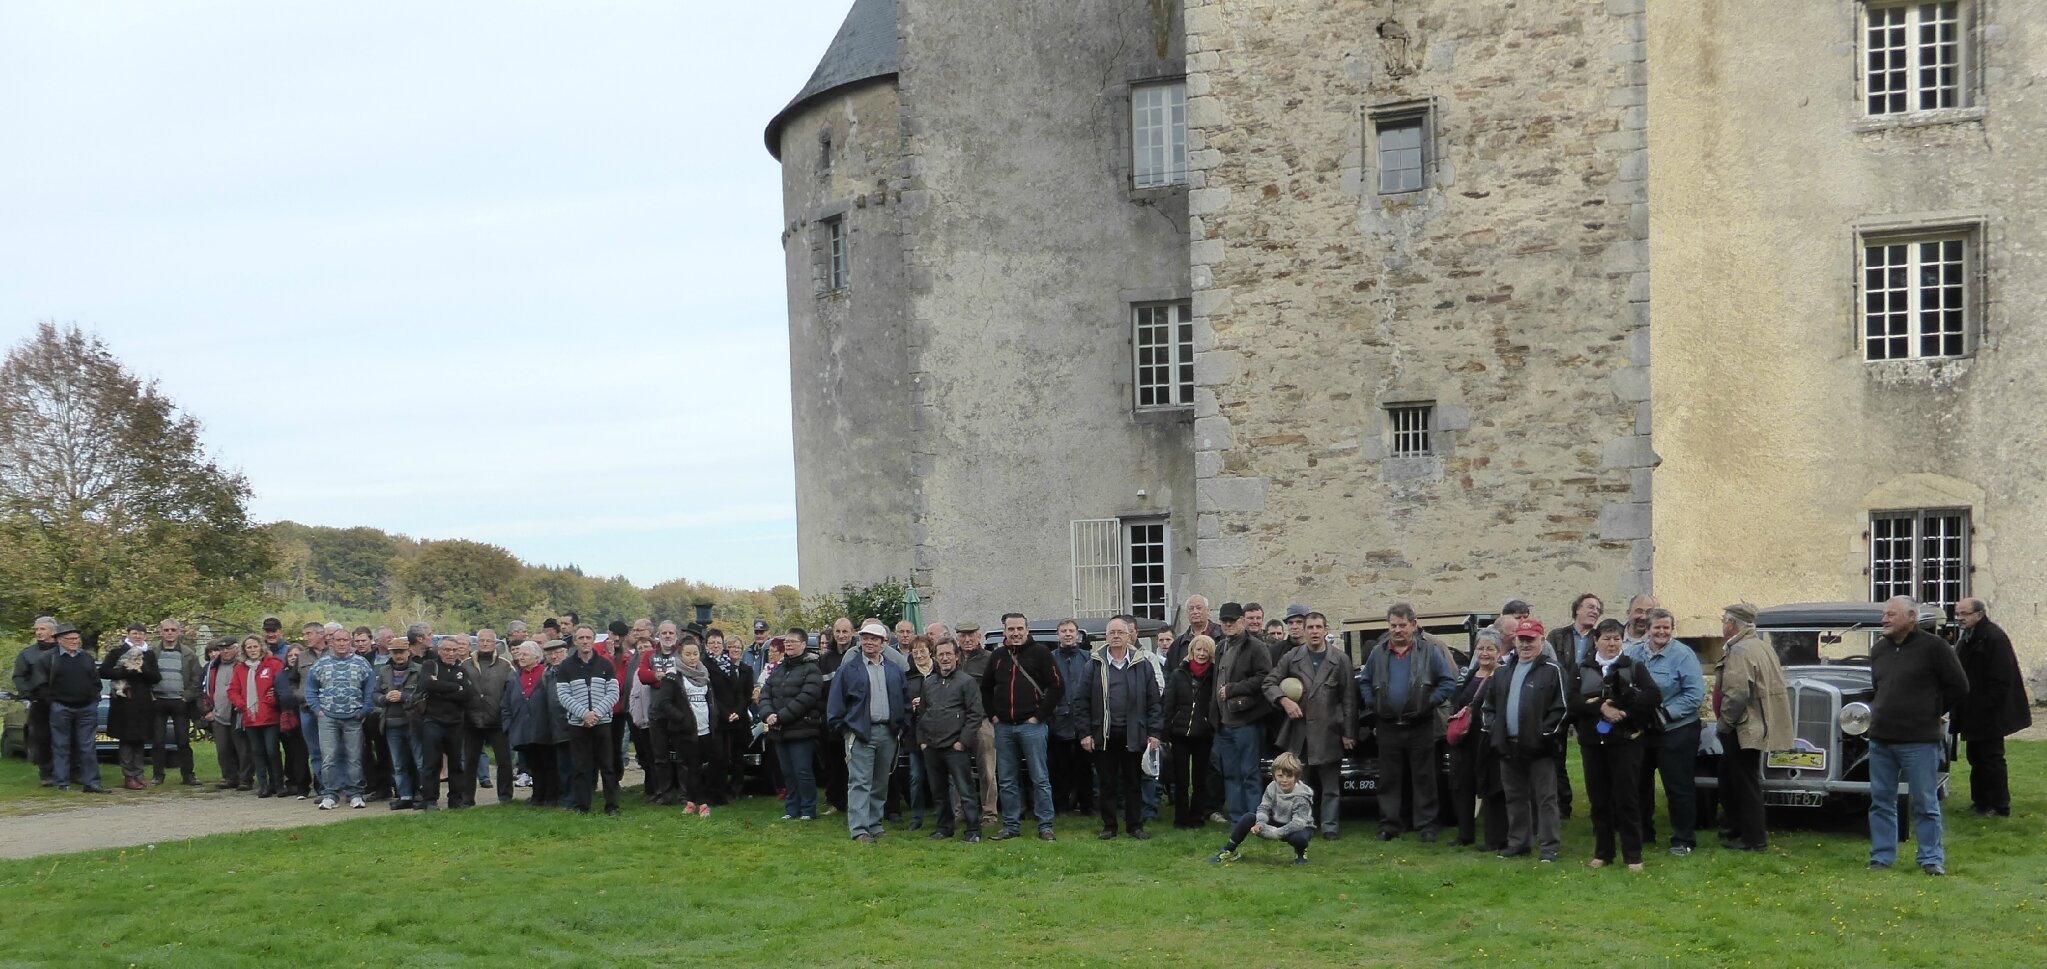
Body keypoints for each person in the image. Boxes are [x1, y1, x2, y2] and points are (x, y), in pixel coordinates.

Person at [1868, 595, 1970, 876]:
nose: (1884, 619)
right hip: (1881, 739)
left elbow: (1959, 686)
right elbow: (1878, 687)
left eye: (1891, 614)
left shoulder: (1935, 648)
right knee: (1881, 801)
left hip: (1919, 740)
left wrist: (1933, 710)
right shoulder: (1878, 650)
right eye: (1884, 614)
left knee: (1926, 802)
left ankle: (1931, 859)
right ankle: (1881, 857)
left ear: (1911, 617)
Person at [1358, 602, 1456, 841]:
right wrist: (1374, 704)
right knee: (1389, 779)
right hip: (1388, 725)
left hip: (1420, 724)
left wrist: (1428, 702)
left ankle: (1427, 826)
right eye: (1393, 625)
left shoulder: (1429, 651)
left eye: (1403, 625)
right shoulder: (1378, 653)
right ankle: (1390, 825)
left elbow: (1447, 682)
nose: (1398, 630)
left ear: (1413, 625)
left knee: (1424, 777)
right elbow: (1365, 682)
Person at [1572, 618, 1660, 871]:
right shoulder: (1582, 668)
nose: (1612, 644)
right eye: (1607, 639)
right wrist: (1600, 708)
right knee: (1599, 799)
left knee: (1627, 798)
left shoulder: (1633, 666)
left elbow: (1653, 697)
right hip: (1592, 743)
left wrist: (1622, 712)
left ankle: (1633, 855)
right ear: (1596, 640)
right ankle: (1603, 852)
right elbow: (1573, 702)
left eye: (1616, 639)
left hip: (1625, 742)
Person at [1263, 611, 1357, 840]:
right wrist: (1284, 701)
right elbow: (1269, 683)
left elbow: (1349, 699)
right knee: (1300, 786)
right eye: (1310, 628)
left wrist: (1348, 732)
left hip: (1330, 732)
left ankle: (1330, 827)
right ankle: (1302, 824)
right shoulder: (1292, 657)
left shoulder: (1340, 660)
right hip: (1300, 733)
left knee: (1331, 787)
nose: (1314, 632)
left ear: (1326, 630)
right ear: (1303, 631)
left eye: (1318, 627)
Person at [1711, 603, 1792, 854]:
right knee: (1729, 775)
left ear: (1733, 624)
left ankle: (1754, 839)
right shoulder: (1761, 645)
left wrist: (1725, 722)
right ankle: (1736, 826)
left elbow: (1737, 693)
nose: (1722, 624)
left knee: (1745, 781)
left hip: (1744, 727)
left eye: (1724, 620)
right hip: (1755, 724)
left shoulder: (1740, 650)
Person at [1485, 618, 1568, 862]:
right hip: (1508, 746)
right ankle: (1518, 843)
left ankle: (1549, 847)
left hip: (1540, 748)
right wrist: (1493, 730)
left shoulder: (1552, 670)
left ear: (1541, 640)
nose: (1526, 644)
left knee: (1546, 799)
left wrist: (1544, 736)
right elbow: (1489, 706)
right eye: (1522, 639)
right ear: (1515, 641)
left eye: (1531, 639)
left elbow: (1561, 709)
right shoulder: (1502, 672)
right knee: (1515, 797)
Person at [1627, 607, 1705, 856]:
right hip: (1642, 730)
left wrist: (1663, 714)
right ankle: (1642, 833)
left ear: (1672, 629)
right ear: (1647, 629)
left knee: (1678, 786)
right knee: (1639, 784)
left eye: (1666, 627)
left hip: (1676, 730)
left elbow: (1694, 694)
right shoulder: (1633, 653)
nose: (1661, 632)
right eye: (1656, 627)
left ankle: (1683, 839)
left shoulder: (1684, 655)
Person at [1077, 616, 1162, 840]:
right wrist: (1085, 733)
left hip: (1134, 733)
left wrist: (1154, 733)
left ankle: (1135, 826)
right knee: (1107, 783)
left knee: (1134, 782)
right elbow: (1081, 701)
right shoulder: (1093, 665)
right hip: (1103, 734)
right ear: (1106, 637)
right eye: (1111, 632)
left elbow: (1154, 701)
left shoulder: (1142, 664)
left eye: (1120, 632)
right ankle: (1109, 827)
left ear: (1129, 636)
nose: (1115, 636)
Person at [826, 621, 910, 842]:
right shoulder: (848, 669)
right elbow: (835, 704)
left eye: (874, 639)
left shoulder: (894, 670)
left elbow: (904, 700)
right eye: (865, 638)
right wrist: (845, 730)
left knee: (881, 782)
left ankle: (875, 824)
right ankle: (860, 829)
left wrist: (901, 726)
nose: (869, 642)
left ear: (884, 643)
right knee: (860, 782)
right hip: (859, 733)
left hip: (888, 733)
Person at [984, 612, 1063, 842]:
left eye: (1020, 628)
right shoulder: (997, 656)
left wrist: (1039, 716)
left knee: (1040, 778)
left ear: (1027, 630)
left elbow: (1057, 686)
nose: (1015, 633)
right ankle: (1011, 826)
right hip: (1004, 728)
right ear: (1004, 632)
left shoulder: (1041, 654)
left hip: (1032, 727)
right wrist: (993, 716)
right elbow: (986, 688)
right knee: (1007, 780)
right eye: (1011, 629)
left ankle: (1045, 825)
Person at [1951, 598, 2030, 818]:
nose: (1960, 619)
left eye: (1964, 614)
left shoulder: (1993, 637)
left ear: (1979, 614)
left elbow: (2001, 679)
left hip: (1990, 712)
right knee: (1976, 757)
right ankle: (1981, 802)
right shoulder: (1968, 637)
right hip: (1973, 710)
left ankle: (1998, 805)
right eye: (1958, 614)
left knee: (1991, 758)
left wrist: (1986, 708)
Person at [1212, 602, 1273, 827]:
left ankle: (1255, 819)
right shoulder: (1220, 647)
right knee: (1230, 773)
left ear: (1241, 621)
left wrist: (1233, 689)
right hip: (1224, 722)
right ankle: (1238, 819)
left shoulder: (1256, 647)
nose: (1228, 624)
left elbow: (1265, 677)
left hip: (1247, 720)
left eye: (1232, 620)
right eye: (1224, 621)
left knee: (1249, 773)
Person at [917, 637, 985, 843]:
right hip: (931, 746)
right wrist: (922, 741)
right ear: (935, 658)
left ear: (956, 656)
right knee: (938, 792)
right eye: (941, 654)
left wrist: (962, 742)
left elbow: (975, 715)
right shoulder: (929, 683)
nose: (945, 658)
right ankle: (944, 828)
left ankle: (973, 830)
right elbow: (922, 714)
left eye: (948, 654)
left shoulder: (967, 682)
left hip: (956, 746)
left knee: (965, 790)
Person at [1545, 593, 1603, 820]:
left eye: (1598, 608)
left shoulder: (1600, 638)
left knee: (1593, 752)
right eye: (1590, 606)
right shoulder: (1557, 636)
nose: (1594, 611)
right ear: (1576, 609)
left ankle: (1599, 803)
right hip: (1560, 699)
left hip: (1587, 702)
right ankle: (1561, 805)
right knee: (1556, 754)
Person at [1447, 629, 1505, 851]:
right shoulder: (1471, 674)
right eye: (1480, 648)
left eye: (1490, 649)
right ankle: (1465, 834)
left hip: (1488, 740)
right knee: (1462, 785)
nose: (1485, 653)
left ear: (1499, 652)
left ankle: (1495, 838)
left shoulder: (1502, 674)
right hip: (1465, 740)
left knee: (1490, 787)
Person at [306, 629, 376, 810]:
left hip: (353, 717)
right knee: (329, 757)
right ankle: (330, 794)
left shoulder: (361, 664)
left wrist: (364, 710)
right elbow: (310, 688)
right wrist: (317, 710)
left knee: (354, 757)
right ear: (332, 642)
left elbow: (370, 689)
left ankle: (355, 794)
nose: (342, 643)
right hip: (327, 717)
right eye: (338, 640)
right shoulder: (321, 664)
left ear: (350, 642)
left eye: (345, 640)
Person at [557, 626, 622, 816]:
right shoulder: (566, 666)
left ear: (594, 640)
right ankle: (582, 806)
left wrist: (597, 714)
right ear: (575, 641)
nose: (585, 641)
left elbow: (613, 693)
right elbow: (563, 695)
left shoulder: (605, 664)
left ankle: (612, 806)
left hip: (602, 723)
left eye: (588, 637)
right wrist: (584, 714)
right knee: (580, 767)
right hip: (578, 724)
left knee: (608, 767)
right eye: (581, 638)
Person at [37, 624, 108, 793]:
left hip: (86, 708)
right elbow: (40, 684)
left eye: (76, 639)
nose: (74, 642)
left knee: (87, 746)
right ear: (60, 640)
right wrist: (51, 701)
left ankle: (91, 782)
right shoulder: (49, 658)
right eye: (70, 639)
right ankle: (61, 783)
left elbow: (95, 681)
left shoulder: (86, 658)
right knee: (61, 745)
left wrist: (94, 699)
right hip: (61, 707)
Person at [1209, 752, 1316, 865]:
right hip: (1277, 819)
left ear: (1296, 776)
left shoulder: (1302, 795)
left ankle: (1301, 853)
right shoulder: (1271, 787)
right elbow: (1264, 807)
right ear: (1274, 775)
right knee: (1248, 818)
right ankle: (1230, 850)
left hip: (1299, 825)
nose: (1284, 780)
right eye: (1280, 776)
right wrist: (1260, 823)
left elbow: (1298, 823)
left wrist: (1275, 833)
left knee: (1299, 838)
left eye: (1289, 776)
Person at [761, 632, 824, 821]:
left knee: (802, 771)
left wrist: (779, 717)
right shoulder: (779, 669)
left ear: (803, 645)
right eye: (786, 642)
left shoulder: (812, 669)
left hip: (802, 729)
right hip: (779, 731)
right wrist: (767, 714)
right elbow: (766, 692)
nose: (788, 645)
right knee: (787, 772)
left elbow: (806, 698)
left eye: (792, 642)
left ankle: (808, 809)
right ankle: (791, 808)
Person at [654, 638, 720, 815]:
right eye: (688, 654)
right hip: (685, 730)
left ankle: (692, 801)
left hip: (705, 728)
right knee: (693, 766)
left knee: (707, 764)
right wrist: (681, 719)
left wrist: (714, 718)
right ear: (680, 655)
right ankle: (701, 803)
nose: (692, 658)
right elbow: (664, 703)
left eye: (695, 654)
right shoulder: (673, 676)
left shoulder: (704, 675)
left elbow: (710, 700)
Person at [1163, 634, 1219, 829]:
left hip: (1203, 734)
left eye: (1206, 650)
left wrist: (1211, 725)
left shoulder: (1214, 676)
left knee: (1200, 779)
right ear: (1192, 651)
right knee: (1181, 779)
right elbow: (1168, 703)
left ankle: (1197, 817)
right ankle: (1181, 818)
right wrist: (1166, 731)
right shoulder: (1179, 674)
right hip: (1179, 734)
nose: (1202, 654)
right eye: (1198, 649)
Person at [416, 636, 476, 811]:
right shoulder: (430, 665)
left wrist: (441, 688)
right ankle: (430, 800)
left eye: (454, 650)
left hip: (455, 722)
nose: (451, 654)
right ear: (439, 650)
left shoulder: (461, 670)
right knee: (432, 763)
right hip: (433, 721)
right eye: (447, 650)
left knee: (456, 764)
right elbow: (426, 684)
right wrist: (455, 687)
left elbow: (468, 694)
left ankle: (455, 800)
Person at [100, 624, 163, 790]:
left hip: (143, 703)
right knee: (127, 739)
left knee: (140, 739)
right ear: (128, 634)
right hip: (124, 702)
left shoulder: (148, 654)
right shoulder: (117, 652)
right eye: (135, 633)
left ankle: (139, 774)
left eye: (141, 633)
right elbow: (104, 672)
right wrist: (126, 670)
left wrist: (142, 669)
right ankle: (129, 775)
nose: (138, 636)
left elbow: (156, 677)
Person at [459, 629, 516, 805]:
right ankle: (467, 798)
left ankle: (505, 797)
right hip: (471, 721)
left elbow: (512, 691)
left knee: (504, 762)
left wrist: (505, 713)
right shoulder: (465, 665)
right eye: (481, 640)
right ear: (477, 643)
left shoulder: (506, 665)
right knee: (470, 762)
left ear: (495, 644)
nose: (484, 643)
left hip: (497, 721)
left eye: (488, 641)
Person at [953, 621, 1000, 830]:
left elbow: (997, 689)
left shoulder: (990, 660)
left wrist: (993, 716)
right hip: (956, 723)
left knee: (987, 770)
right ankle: (961, 810)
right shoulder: (953, 659)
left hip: (982, 721)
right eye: (963, 635)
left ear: (979, 637)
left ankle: (989, 813)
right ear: (957, 638)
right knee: (958, 769)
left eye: (971, 635)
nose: (967, 639)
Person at [146, 618, 204, 787]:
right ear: (161, 632)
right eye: (166, 630)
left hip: (180, 701)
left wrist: (186, 696)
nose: (170, 633)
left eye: (173, 630)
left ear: (179, 632)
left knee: (183, 740)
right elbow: (145, 675)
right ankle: (158, 775)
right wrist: (151, 695)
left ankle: (188, 775)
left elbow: (196, 678)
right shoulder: (152, 653)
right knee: (157, 741)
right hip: (158, 701)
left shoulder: (188, 654)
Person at [227, 635, 285, 798]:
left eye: (255, 646)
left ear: (261, 647)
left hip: (270, 715)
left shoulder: (273, 664)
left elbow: (280, 685)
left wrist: (273, 698)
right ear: (244, 650)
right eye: (249, 647)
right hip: (250, 717)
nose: (252, 650)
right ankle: (264, 785)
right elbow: (233, 690)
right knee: (257, 751)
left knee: (272, 750)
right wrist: (241, 704)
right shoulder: (240, 668)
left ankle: (278, 783)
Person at [1047, 618, 1095, 817]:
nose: (1068, 634)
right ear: (1058, 635)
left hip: (1083, 721)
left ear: (1077, 635)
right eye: (1064, 631)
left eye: (1071, 631)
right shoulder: (1050, 659)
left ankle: (1087, 806)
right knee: (1059, 768)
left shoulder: (1088, 658)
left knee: (1085, 767)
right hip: (1058, 721)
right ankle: (1060, 806)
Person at [10, 616, 61, 786]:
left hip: (63, 700)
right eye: (36, 629)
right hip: (39, 703)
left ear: (53, 632)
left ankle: (71, 771)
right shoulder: (27, 654)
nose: (38, 632)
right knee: (42, 738)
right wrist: (28, 695)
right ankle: (46, 774)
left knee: (66, 738)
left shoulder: (64, 650)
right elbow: (19, 676)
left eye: (42, 629)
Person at [377, 640, 423, 809]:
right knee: (398, 764)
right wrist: (384, 698)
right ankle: (404, 796)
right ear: (390, 653)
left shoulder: (418, 670)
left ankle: (425, 794)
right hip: (391, 724)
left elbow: (424, 695)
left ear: (408, 652)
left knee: (420, 762)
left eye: (401, 652)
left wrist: (404, 697)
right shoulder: (384, 671)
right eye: (395, 652)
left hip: (413, 723)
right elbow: (375, 694)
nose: (398, 655)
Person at [202, 639, 250, 790]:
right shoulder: (212, 667)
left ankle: (246, 779)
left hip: (238, 712)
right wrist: (207, 710)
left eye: (229, 648)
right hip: (218, 713)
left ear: (236, 649)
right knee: (223, 749)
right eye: (222, 649)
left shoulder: (243, 665)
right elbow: (203, 689)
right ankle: (229, 777)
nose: (225, 652)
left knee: (243, 749)